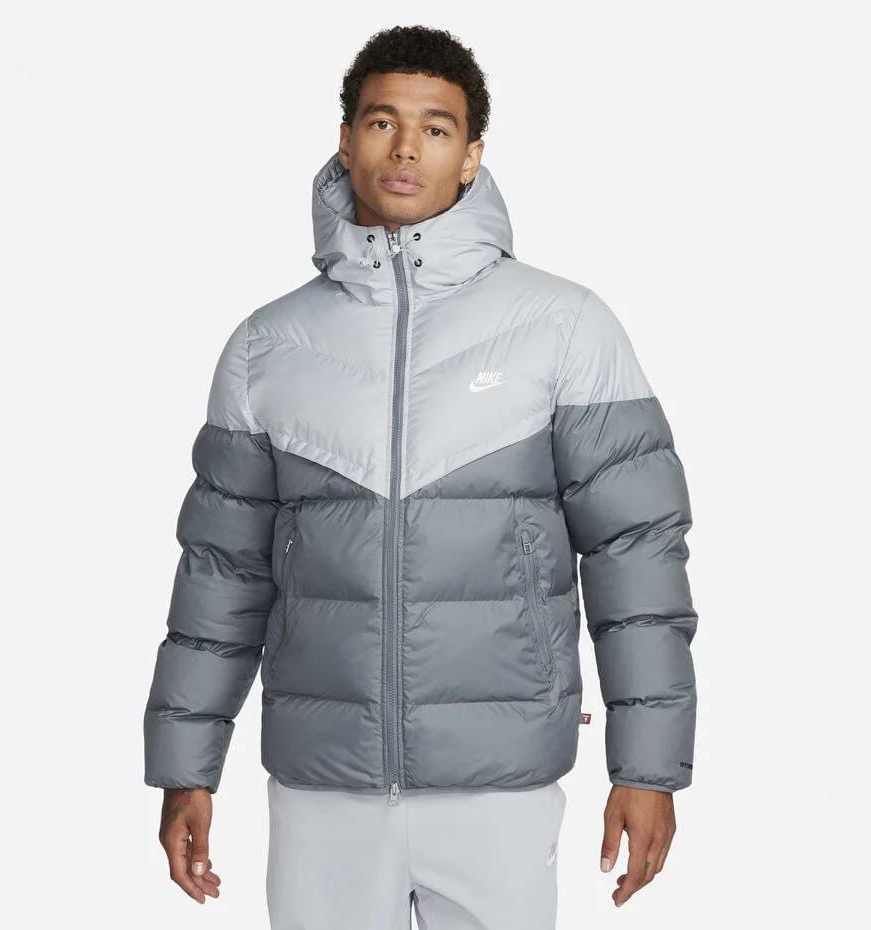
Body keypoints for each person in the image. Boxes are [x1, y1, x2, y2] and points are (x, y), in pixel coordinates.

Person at [143, 24, 698, 928]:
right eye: (382, 122)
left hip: (500, 785)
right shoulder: (266, 348)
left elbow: (637, 556)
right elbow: (221, 574)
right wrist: (185, 770)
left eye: (436, 128)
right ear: (346, 139)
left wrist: (647, 768)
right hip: (324, 788)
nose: (406, 149)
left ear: (471, 154)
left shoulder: (564, 327)